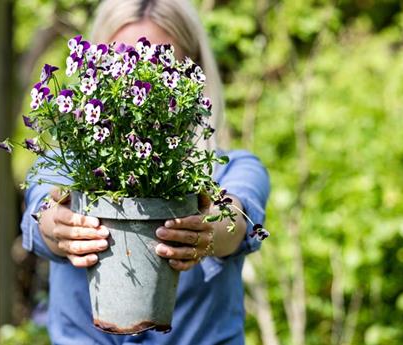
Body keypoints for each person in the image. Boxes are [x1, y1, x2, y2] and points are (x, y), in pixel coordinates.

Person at [20, 0, 270, 344]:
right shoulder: (67, 165)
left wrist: (206, 229)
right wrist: (56, 226)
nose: (135, 78)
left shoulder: (232, 168)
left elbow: (237, 219)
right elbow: (41, 208)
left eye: (157, 62)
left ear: (191, 74)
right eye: (119, 65)